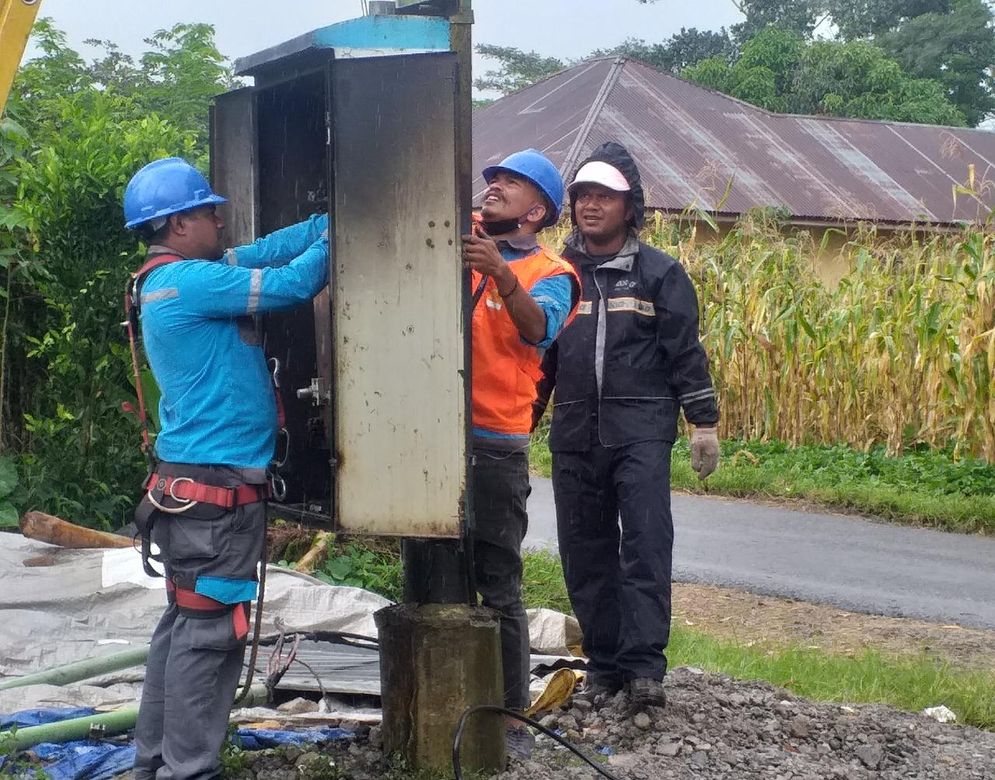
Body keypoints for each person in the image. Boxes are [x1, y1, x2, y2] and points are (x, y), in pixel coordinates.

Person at [123, 156, 329, 780]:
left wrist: (328, 218)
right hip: (217, 491)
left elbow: (268, 249)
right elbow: (292, 283)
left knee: (183, 625)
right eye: (210, 210)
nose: (221, 217)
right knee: (210, 636)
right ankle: (189, 771)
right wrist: (352, 233)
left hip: (193, 488)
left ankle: (154, 763)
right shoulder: (189, 283)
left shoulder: (173, 277)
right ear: (179, 222)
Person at [534, 142, 719, 709]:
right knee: (585, 554)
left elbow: (684, 350)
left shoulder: (660, 274)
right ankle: (606, 666)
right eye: (583, 196)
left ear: (628, 205)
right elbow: (537, 359)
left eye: (605, 197)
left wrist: (703, 423)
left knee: (643, 547)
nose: (592, 206)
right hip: (573, 435)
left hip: (641, 431)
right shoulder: (556, 275)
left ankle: (644, 672)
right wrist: (519, 424)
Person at [461, 149, 579, 757]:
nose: (494, 188)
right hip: (434, 434)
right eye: (493, 180)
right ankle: (450, 697)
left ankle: (509, 715)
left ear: (536, 211)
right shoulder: (457, 243)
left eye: (509, 183)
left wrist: (503, 276)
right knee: (433, 570)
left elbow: (539, 331)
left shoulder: (553, 273)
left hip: (494, 441)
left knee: (498, 581)